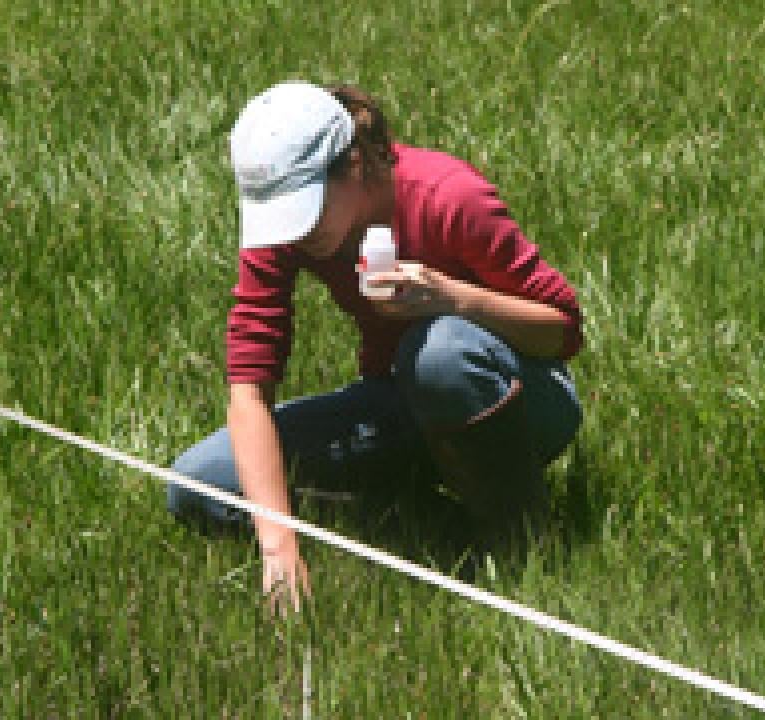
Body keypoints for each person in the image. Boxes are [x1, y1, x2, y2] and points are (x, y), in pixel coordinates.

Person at [167, 81, 584, 615]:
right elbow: (249, 391)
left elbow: (562, 330)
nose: (296, 232)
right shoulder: (287, 233)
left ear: (355, 164)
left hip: (521, 399)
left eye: (306, 210)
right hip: (396, 401)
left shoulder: (448, 196)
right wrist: (278, 547)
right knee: (199, 483)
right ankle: (430, 526)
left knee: (440, 351)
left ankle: (517, 539)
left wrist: (454, 298)